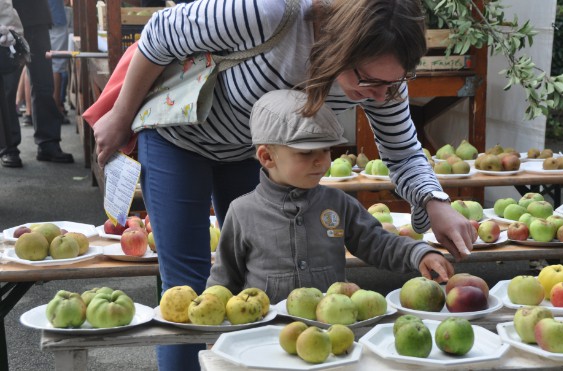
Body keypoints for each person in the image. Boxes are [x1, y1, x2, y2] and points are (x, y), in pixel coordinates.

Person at [90, 1, 476, 369]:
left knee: (253, 279)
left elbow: (403, 151)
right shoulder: (269, 13)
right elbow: (159, 34)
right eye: (369, 82)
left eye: (394, 84)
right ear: (342, 45)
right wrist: (121, 116)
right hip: (179, 137)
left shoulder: (384, 78)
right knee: (190, 290)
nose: (380, 96)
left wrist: (435, 201)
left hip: (254, 153)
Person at [207, 89, 454, 303]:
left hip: (331, 332)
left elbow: (378, 243)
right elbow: (224, 279)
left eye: (326, 149)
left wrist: (419, 253)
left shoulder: (338, 204)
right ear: (267, 157)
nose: (321, 160)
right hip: (266, 336)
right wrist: (215, 332)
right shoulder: (243, 212)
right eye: (306, 152)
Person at [1, 0, 74, 166]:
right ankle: (8, 147)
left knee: (43, 82)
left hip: (36, 15)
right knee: (8, 87)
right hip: (6, 17)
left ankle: (48, 142)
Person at [0, 0, 28, 167]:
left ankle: (9, 147)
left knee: (7, 95)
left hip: (5, 37)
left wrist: (13, 34)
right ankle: (8, 147)